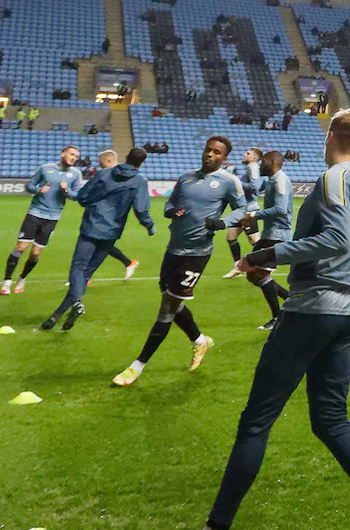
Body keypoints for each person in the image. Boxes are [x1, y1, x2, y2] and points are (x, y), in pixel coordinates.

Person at [154, 108, 350, 530]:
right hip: (348, 310)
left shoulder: (334, 177)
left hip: (313, 311)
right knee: (331, 419)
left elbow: (332, 239)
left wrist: (269, 253)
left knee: (256, 422)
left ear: (330, 135)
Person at [112, 135, 245, 386]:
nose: (210, 155)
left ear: (224, 159)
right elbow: (169, 204)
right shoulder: (186, 177)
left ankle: (137, 366)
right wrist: (171, 211)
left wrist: (223, 222)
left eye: (217, 153)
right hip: (174, 248)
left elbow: (242, 207)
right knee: (171, 301)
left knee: (167, 308)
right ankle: (199, 340)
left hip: (197, 254)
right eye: (208, 150)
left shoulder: (229, 182)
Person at [38, 148, 154, 332]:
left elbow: (83, 197)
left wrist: (84, 200)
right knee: (85, 275)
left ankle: (76, 303)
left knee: (78, 268)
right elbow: (141, 209)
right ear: (141, 163)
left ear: (126, 157)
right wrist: (149, 226)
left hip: (91, 226)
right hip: (111, 233)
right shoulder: (139, 181)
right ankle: (56, 316)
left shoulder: (104, 174)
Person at [2, 145, 81, 295]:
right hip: (35, 213)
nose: (73, 158)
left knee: (36, 253)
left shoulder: (76, 174)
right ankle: (6, 282)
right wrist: (39, 190)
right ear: (62, 153)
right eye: (71, 154)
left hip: (53, 217)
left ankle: (22, 279)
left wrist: (67, 191)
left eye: (76, 157)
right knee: (21, 247)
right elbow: (29, 186)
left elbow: (76, 196)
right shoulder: (45, 168)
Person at [241, 149, 295, 330]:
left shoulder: (280, 180)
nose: (259, 165)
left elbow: (280, 209)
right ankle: (291, 301)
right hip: (270, 234)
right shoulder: (273, 180)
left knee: (259, 273)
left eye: (262, 162)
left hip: (278, 235)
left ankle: (278, 317)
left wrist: (254, 215)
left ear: (272, 163)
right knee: (252, 272)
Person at [221, 148, 263, 276]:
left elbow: (254, 187)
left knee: (255, 240)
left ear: (254, 158)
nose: (244, 155)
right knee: (231, 237)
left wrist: (236, 181)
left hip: (248, 210)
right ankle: (238, 266)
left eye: (248, 154)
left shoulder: (253, 168)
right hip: (241, 210)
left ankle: (265, 264)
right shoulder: (249, 168)